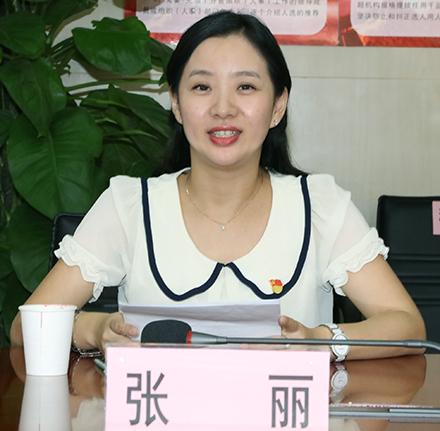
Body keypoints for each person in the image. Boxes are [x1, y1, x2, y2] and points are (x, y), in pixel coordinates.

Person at [10, 11, 425, 360]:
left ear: (278, 106)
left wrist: (320, 341)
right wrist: (95, 329)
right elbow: (23, 328)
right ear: (176, 103)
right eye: (202, 87)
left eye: (245, 87)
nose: (223, 108)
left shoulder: (319, 205)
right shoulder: (129, 206)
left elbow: (407, 325)